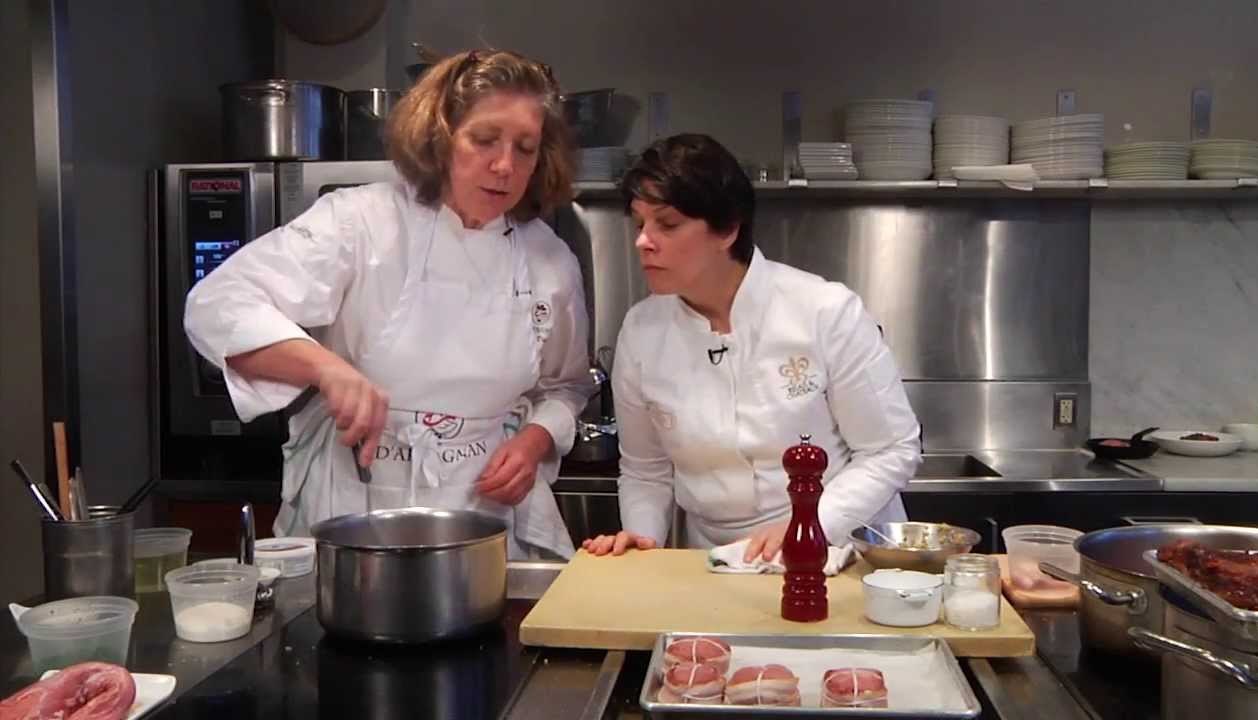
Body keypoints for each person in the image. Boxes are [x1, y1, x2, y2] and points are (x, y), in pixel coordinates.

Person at [185, 50, 593, 559]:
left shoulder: (549, 260)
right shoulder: (362, 221)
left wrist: (534, 440)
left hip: (486, 515)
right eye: (484, 140)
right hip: (358, 510)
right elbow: (217, 304)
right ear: (440, 137)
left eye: (526, 148)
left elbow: (567, 386)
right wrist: (327, 369)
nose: (505, 165)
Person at [582, 134, 921, 562]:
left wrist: (810, 525)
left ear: (727, 228)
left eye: (666, 224)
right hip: (715, 559)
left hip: (837, 546)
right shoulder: (642, 331)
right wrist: (642, 539)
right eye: (639, 224)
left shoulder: (824, 311)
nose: (643, 241)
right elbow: (645, 470)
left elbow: (891, 449)